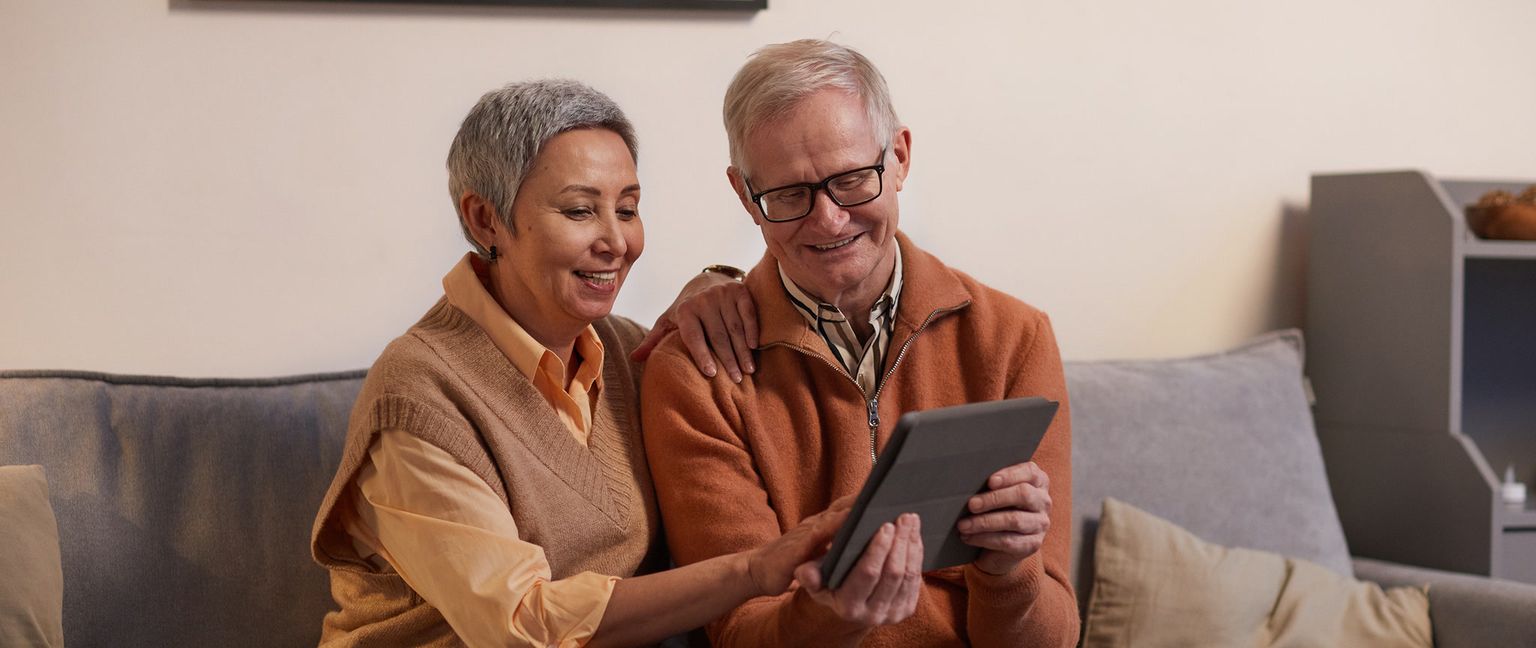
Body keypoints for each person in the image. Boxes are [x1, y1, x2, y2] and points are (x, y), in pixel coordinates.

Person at [309, 79, 848, 648]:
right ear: (485, 219)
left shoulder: (630, 355)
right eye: (579, 210)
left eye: (628, 209)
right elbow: (519, 625)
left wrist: (726, 285)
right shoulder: (418, 395)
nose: (617, 241)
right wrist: (752, 571)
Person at [641, 39, 1079, 647]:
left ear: (898, 157)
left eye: (851, 179)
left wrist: (1007, 571)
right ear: (745, 196)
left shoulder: (1014, 338)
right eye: (789, 195)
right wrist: (836, 614)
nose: (828, 220)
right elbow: (739, 631)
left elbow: (1053, 638)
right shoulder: (696, 373)